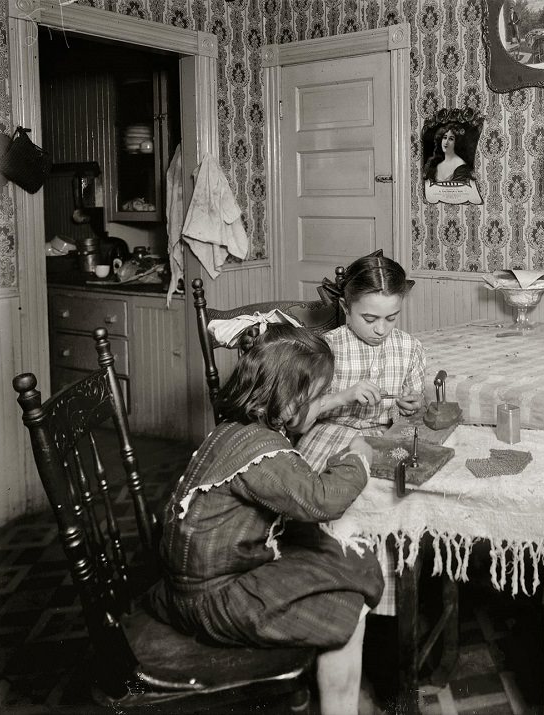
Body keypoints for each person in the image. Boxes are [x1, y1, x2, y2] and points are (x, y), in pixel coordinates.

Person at [148, 324, 384, 715]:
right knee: (347, 590)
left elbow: (300, 416)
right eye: (315, 395)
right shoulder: (265, 456)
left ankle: (345, 694)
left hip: (208, 574)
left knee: (342, 560)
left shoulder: (239, 427)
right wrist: (358, 457)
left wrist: (334, 399)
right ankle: (342, 703)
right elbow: (323, 500)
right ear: (287, 401)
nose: (318, 402)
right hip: (215, 597)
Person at [299, 252, 426, 472]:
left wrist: (412, 404)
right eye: (369, 319)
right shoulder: (326, 348)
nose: (381, 329)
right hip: (329, 438)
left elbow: (412, 414)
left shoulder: (411, 348)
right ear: (345, 307)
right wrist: (343, 397)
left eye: (391, 318)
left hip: (387, 440)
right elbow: (298, 419)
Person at [422, 123, 482, 205]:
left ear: (456, 142)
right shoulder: (434, 164)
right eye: (444, 137)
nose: (446, 142)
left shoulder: (461, 166)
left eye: (451, 139)